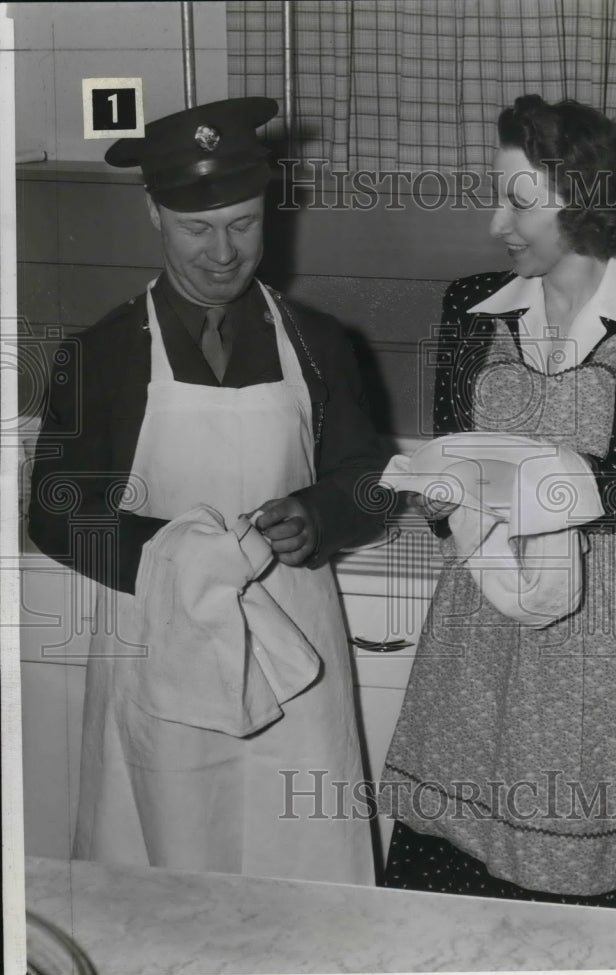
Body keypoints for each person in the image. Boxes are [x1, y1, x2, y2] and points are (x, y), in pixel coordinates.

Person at [28, 97, 386, 885]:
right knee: (163, 865)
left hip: (296, 645)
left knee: (305, 865)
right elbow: (53, 515)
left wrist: (318, 515)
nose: (224, 253)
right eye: (198, 229)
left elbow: (368, 481)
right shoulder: (103, 353)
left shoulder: (320, 346)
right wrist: (176, 557)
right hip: (159, 641)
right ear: (155, 214)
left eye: (245, 224)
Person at [378, 95, 616, 908]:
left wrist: (555, 484)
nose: (496, 223)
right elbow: (449, 464)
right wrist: (449, 494)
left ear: (585, 200)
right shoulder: (471, 306)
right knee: (453, 875)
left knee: (571, 877)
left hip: (599, 627)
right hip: (478, 609)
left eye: (518, 200)